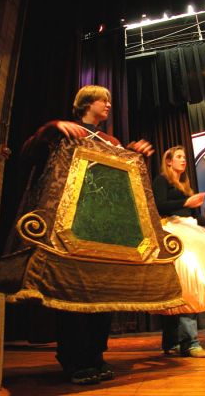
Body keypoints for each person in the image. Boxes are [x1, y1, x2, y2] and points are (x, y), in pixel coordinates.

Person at [17, 85, 154, 384]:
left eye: (108, 100)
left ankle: (95, 355)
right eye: (103, 100)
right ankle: (73, 359)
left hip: (103, 229)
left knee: (101, 294)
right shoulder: (63, 130)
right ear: (86, 103)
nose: (108, 104)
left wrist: (132, 154)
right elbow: (27, 154)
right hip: (70, 228)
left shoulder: (110, 140)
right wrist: (51, 128)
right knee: (74, 293)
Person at [152, 145, 205, 358]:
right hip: (173, 234)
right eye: (179, 157)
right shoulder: (161, 181)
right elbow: (158, 206)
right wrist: (186, 201)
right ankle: (183, 342)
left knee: (188, 286)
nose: (183, 160)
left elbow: (195, 216)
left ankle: (181, 341)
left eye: (184, 157)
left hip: (190, 230)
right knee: (180, 287)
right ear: (169, 161)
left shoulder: (187, 186)